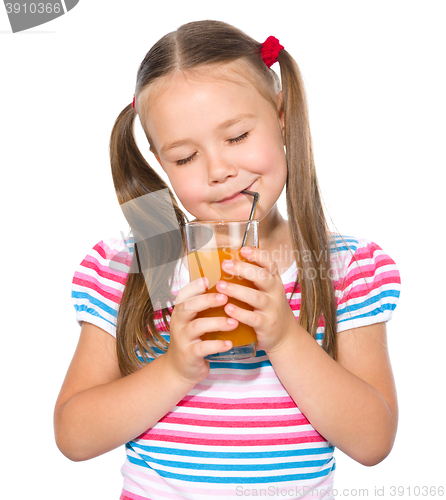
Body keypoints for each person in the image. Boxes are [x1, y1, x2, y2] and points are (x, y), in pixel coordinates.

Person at [54, 20, 401, 500]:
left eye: (236, 137)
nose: (219, 171)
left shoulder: (347, 270)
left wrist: (283, 337)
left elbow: (372, 441)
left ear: (281, 116)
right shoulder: (136, 263)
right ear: (158, 160)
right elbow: (74, 435)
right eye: (184, 157)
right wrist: (175, 369)